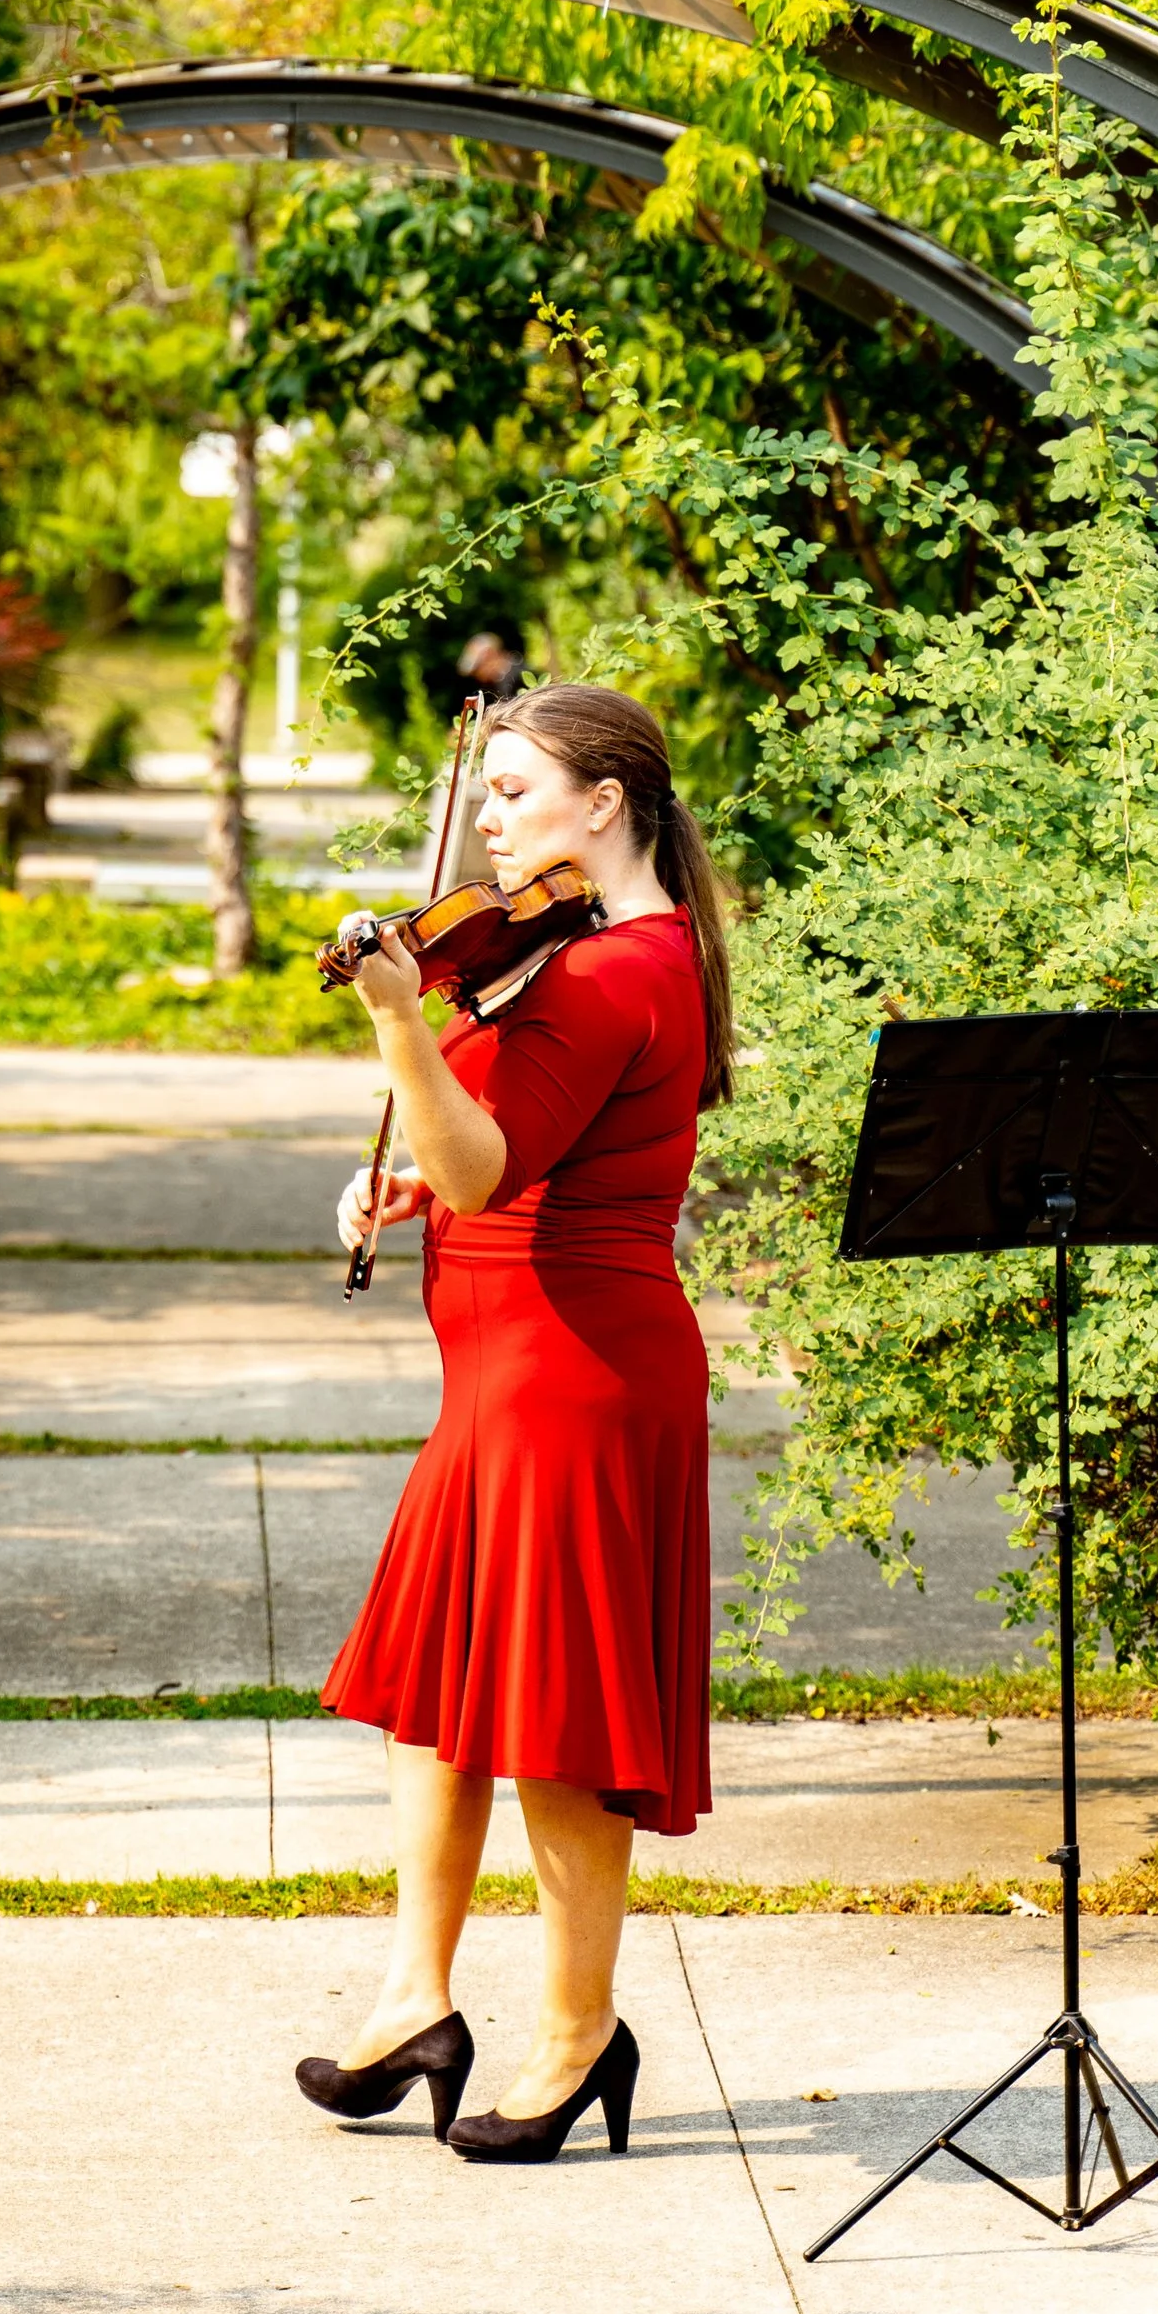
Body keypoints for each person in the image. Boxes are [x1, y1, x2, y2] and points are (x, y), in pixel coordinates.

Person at [294, 682, 736, 2166]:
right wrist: (407, 1179)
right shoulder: (576, 956)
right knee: (441, 1690)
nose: (482, 816)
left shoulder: (616, 972)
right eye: (482, 789)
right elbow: (501, 1158)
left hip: (576, 1380)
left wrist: (397, 1022)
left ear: (603, 803)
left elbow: (492, 1164)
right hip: (505, 1374)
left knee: (556, 1718)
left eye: (512, 788)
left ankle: (576, 2030)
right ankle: (414, 1998)